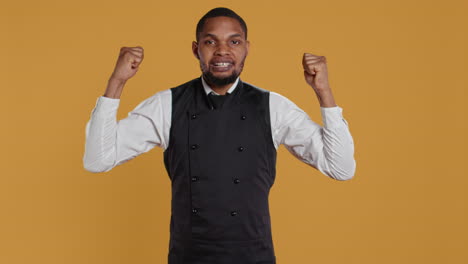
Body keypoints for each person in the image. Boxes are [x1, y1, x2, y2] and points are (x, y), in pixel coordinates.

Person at [83, 7, 356, 264]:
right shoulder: (167, 105)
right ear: (196, 49)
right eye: (210, 42)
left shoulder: (274, 106)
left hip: (254, 256)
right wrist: (116, 83)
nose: (222, 51)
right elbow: (98, 160)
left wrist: (324, 93)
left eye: (234, 42)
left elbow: (340, 168)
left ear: (247, 48)